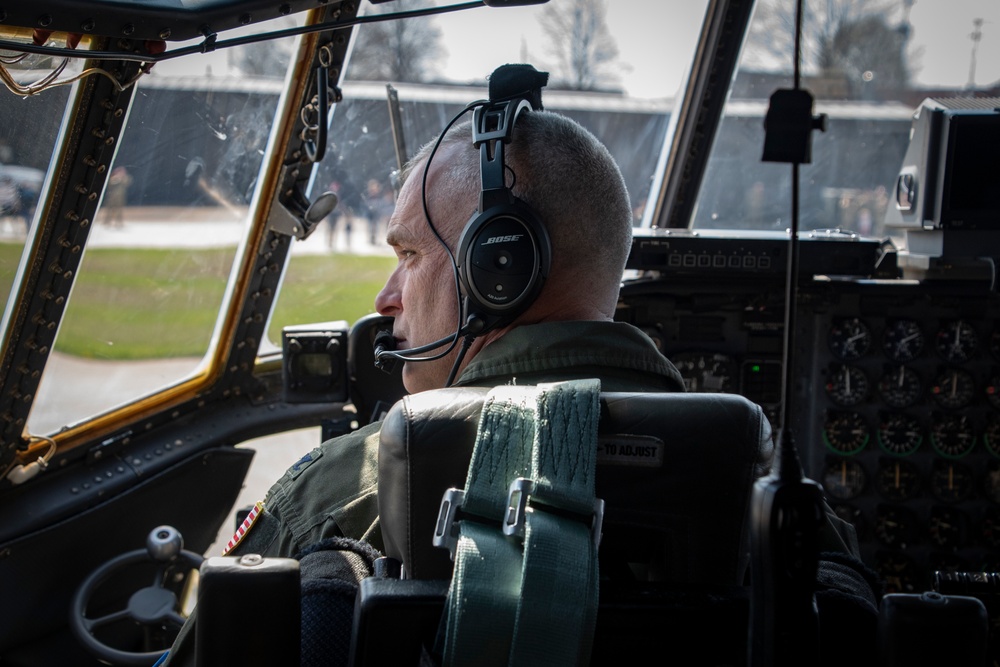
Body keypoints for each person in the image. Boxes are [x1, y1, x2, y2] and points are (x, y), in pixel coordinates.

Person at [160, 93, 875, 666]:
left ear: (497, 268)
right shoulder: (781, 507)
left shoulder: (342, 490)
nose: (385, 297)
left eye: (409, 254)